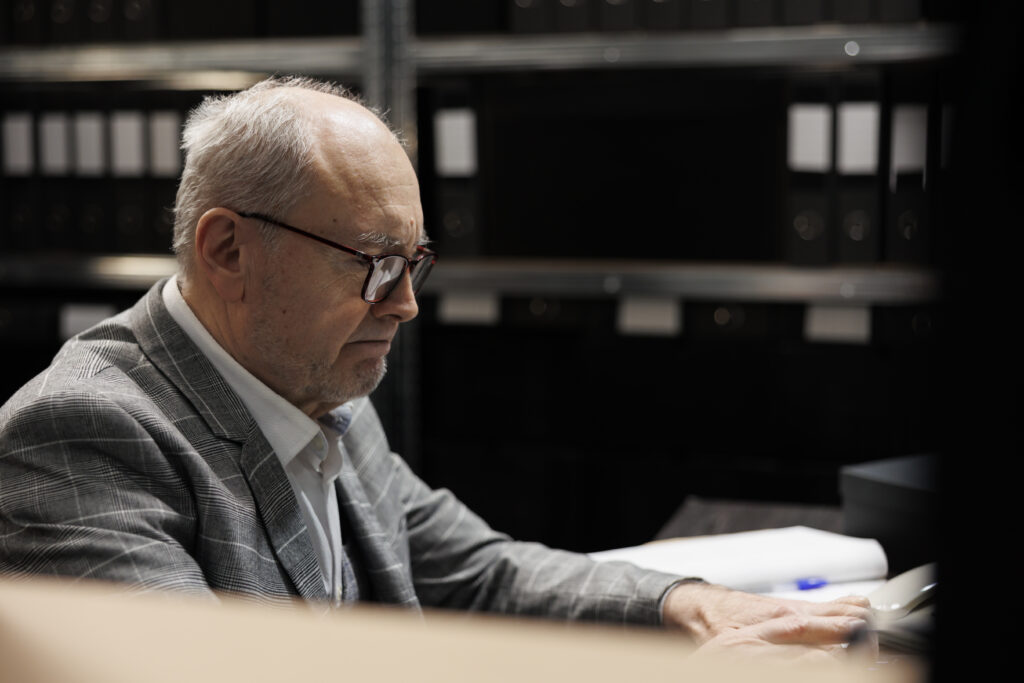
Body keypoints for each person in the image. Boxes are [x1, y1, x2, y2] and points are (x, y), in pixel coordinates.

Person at [0, 77, 871, 661]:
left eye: (415, 262)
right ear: (228, 247)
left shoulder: (312, 377)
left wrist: (684, 603)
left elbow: (480, 570)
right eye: (375, 262)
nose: (406, 303)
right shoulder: (82, 434)